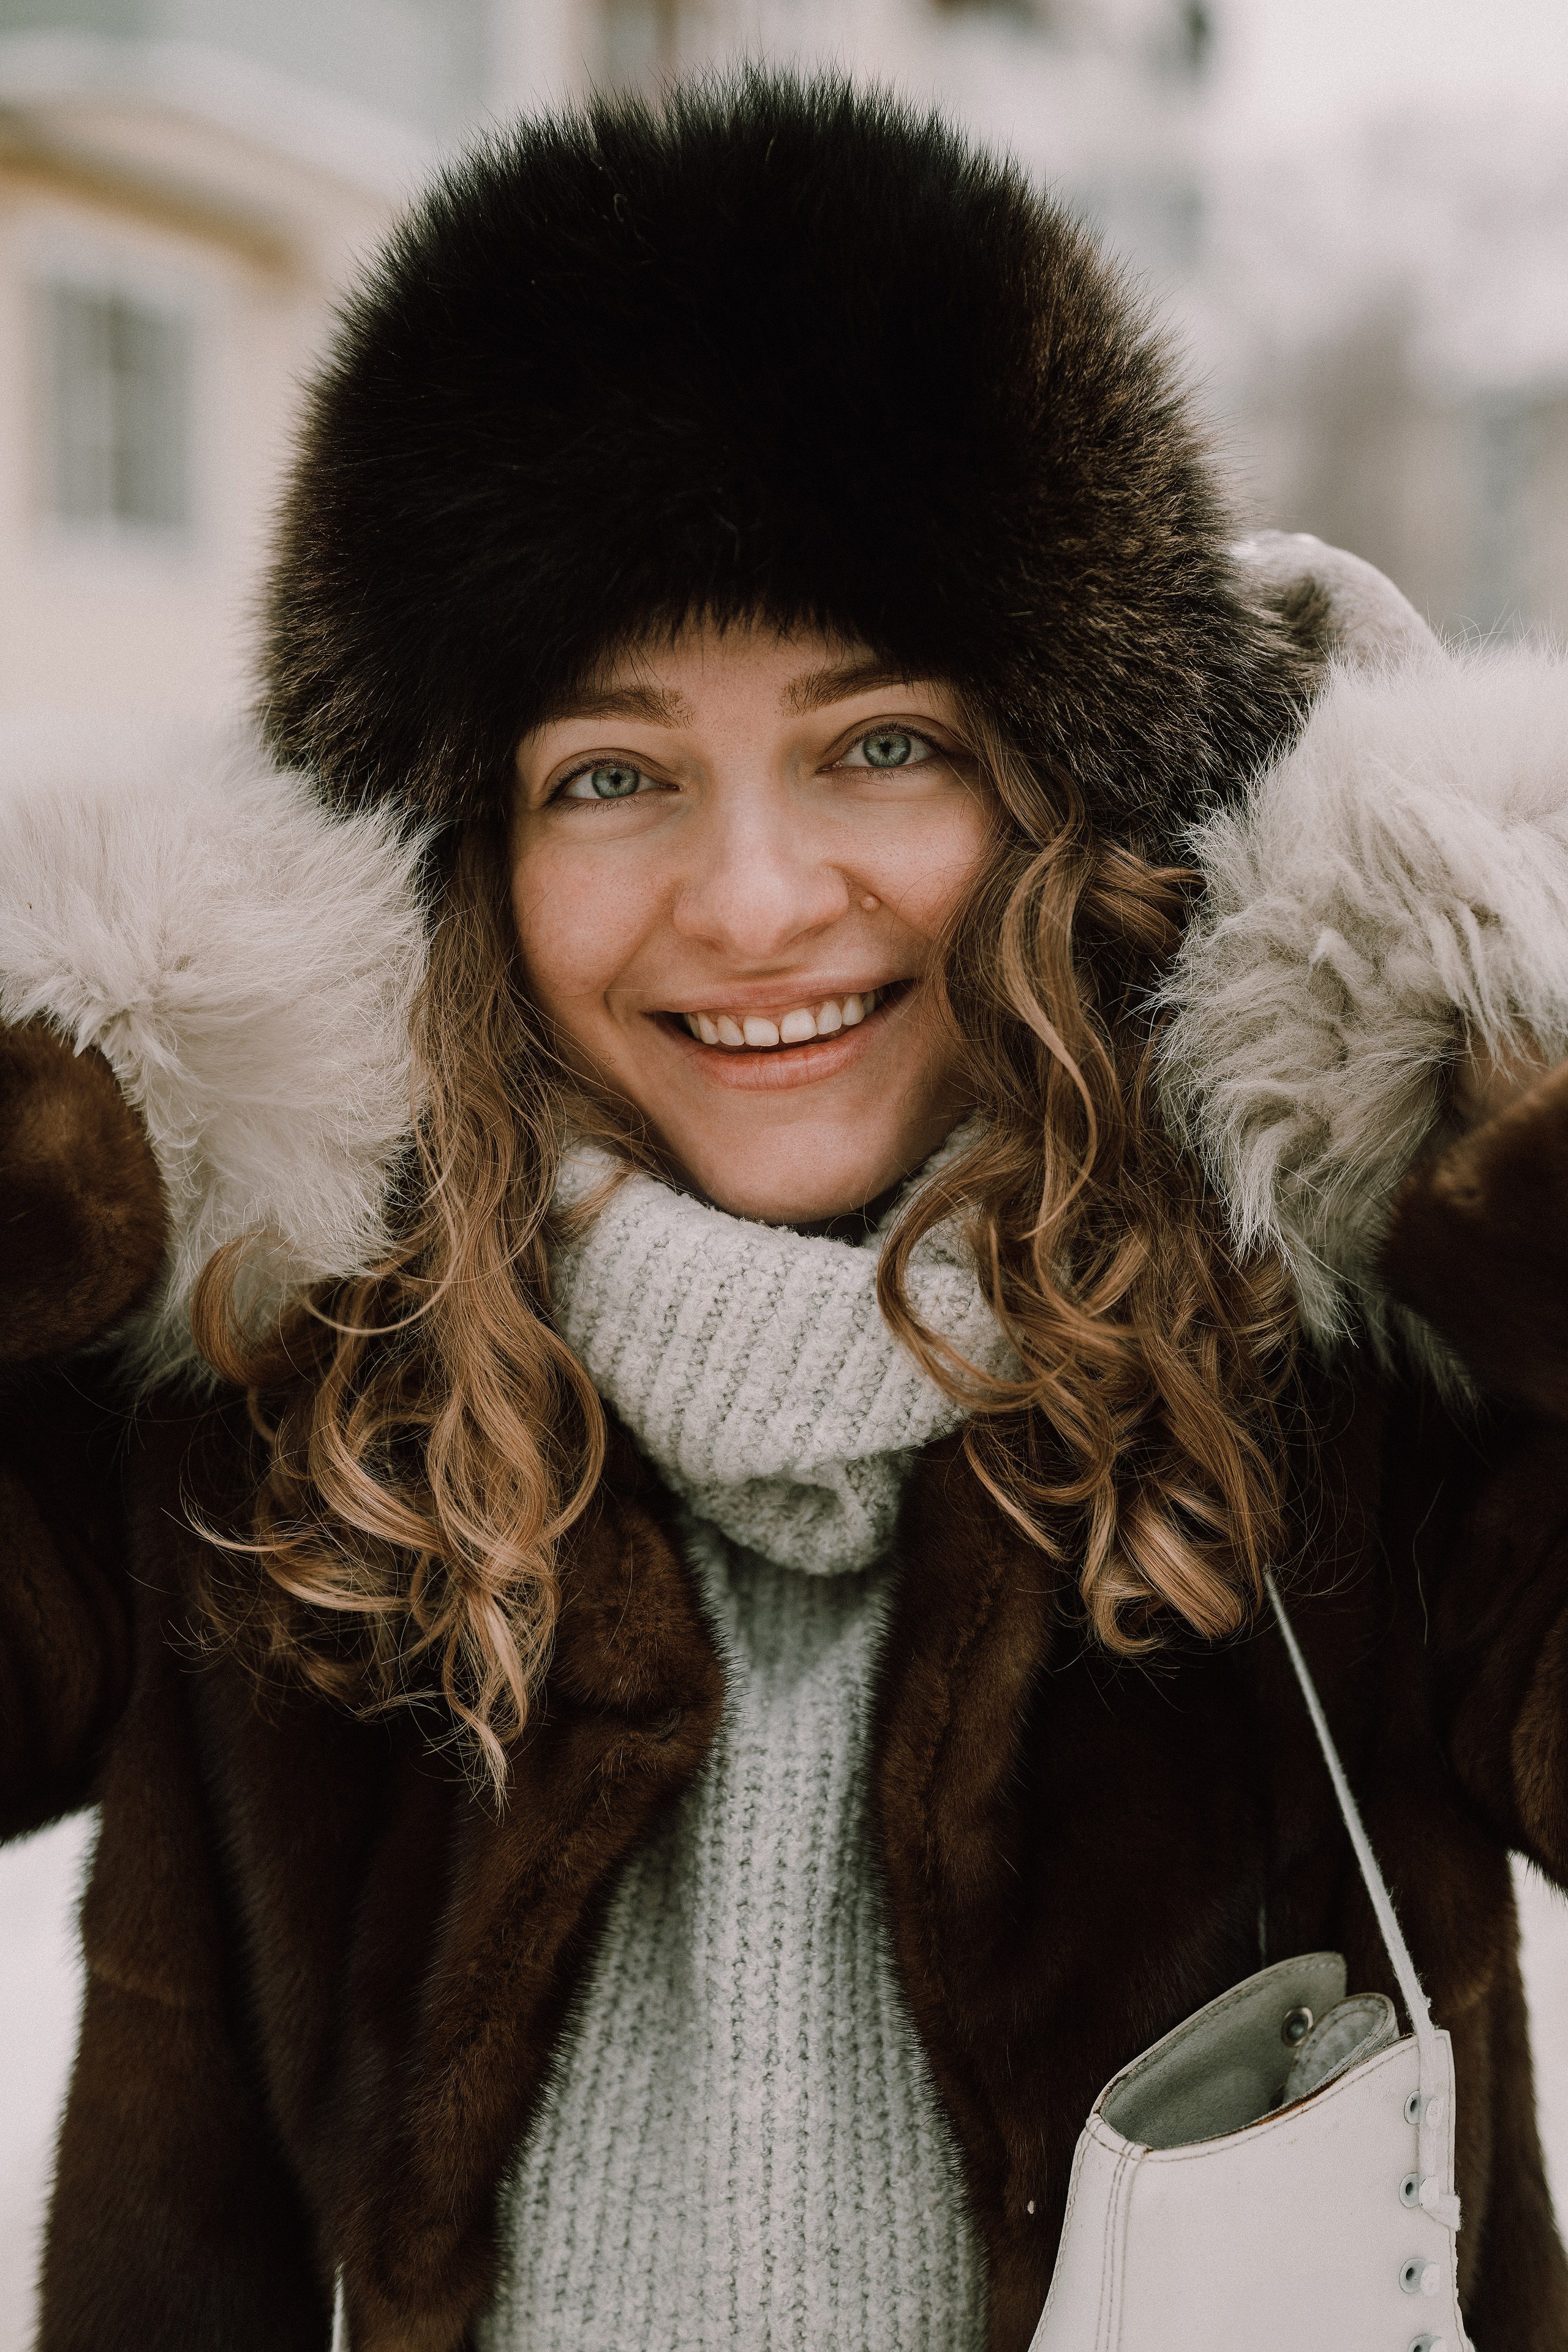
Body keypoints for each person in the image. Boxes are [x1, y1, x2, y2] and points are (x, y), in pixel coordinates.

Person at [3, 69, 1567, 2352]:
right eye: (612, 775)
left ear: (1056, 784)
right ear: (461, 859)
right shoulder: (277, 1428)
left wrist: (1499, 1118)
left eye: (884, 745)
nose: (751, 903)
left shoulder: (1329, 1385)